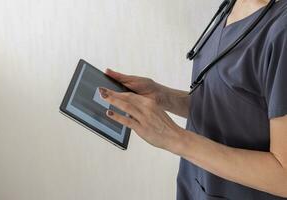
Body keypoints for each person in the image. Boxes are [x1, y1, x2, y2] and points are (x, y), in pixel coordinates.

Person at [98, 0, 287, 199]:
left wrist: (172, 137)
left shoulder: (281, 29)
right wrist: (165, 97)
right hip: (196, 185)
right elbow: (236, 107)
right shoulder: (234, 5)